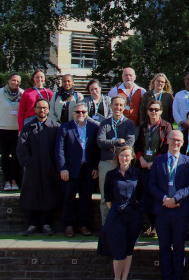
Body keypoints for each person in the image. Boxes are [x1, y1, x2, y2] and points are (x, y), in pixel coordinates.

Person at [150, 129, 189, 280]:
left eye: (179, 141)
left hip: (180, 210)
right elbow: (152, 184)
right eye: (173, 139)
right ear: (167, 141)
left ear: (182, 143)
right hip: (162, 210)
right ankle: (166, 279)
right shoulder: (158, 161)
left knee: (178, 246)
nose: (176, 143)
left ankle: (178, 279)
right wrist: (165, 200)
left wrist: (175, 199)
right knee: (163, 246)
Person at [97, 145, 143, 280]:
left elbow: (141, 195)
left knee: (129, 250)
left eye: (127, 156)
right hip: (116, 216)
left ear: (132, 157)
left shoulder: (137, 174)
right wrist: (117, 211)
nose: (124, 158)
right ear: (118, 157)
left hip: (133, 216)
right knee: (119, 250)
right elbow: (108, 197)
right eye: (122, 155)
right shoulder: (111, 175)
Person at [55, 104, 101, 237]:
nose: (81, 114)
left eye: (83, 112)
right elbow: (59, 150)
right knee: (69, 198)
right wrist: (62, 168)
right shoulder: (65, 127)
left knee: (86, 199)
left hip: (88, 170)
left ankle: (82, 225)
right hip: (70, 170)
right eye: (78, 112)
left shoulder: (94, 127)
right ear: (73, 113)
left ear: (87, 113)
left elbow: (97, 150)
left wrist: (95, 167)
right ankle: (68, 225)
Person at [17, 98, 61, 236]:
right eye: (39, 108)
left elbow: (60, 148)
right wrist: (31, 163)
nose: (42, 110)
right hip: (33, 169)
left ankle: (46, 224)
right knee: (32, 196)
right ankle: (32, 224)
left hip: (50, 169)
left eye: (45, 108)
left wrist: (54, 165)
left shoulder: (55, 127)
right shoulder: (27, 128)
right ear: (35, 109)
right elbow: (21, 150)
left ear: (48, 110)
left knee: (49, 195)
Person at [134, 99, 173, 237]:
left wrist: (154, 162)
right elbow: (137, 145)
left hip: (158, 167)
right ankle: (147, 226)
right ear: (147, 111)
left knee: (157, 196)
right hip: (144, 166)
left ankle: (156, 225)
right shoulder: (143, 127)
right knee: (144, 196)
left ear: (161, 111)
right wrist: (142, 159)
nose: (154, 112)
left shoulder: (166, 126)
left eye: (156, 109)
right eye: (151, 109)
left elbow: (166, 146)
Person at [96, 97, 136, 224]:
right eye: (115, 105)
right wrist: (118, 141)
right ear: (111, 106)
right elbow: (100, 142)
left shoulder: (129, 124)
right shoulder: (105, 123)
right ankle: (106, 224)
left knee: (124, 195)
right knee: (105, 196)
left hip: (122, 164)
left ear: (124, 107)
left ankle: (121, 223)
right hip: (106, 163)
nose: (117, 107)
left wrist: (112, 145)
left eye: (120, 105)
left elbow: (129, 143)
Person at [0, 73, 24, 191]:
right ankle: (7, 182)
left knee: (15, 156)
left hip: (16, 131)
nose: (16, 83)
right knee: (4, 156)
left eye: (18, 81)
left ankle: (14, 181)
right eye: (14, 80)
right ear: (9, 80)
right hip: (1, 130)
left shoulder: (22, 93)